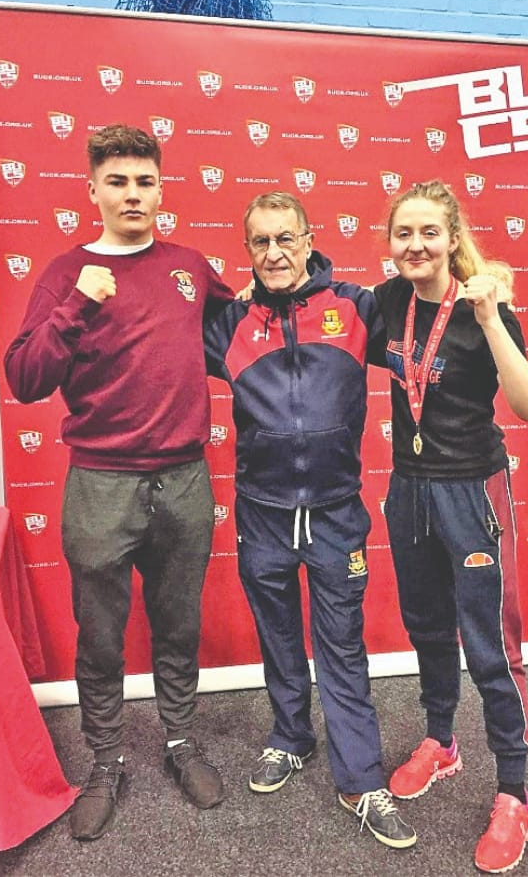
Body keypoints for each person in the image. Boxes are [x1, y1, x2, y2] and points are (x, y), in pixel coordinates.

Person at [4, 124, 234, 840]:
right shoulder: (65, 273)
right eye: (118, 181)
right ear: (93, 190)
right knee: (100, 636)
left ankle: (178, 741)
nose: (132, 194)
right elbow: (25, 377)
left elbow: (251, 331)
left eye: (144, 181)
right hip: (101, 482)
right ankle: (105, 760)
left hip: (184, 478)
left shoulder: (190, 267)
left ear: (160, 189)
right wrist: (77, 304)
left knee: (178, 624)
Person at [203, 192, 416, 849]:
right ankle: (290, 737)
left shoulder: (355, 307)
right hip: (260, 517)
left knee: (343, 647)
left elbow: (430, 306)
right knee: (277, 638)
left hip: (334, 516)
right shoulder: (227, 324)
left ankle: (359, 779)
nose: (273, 253)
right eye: (260, 242)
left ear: (308, 240)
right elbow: (154, 324)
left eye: (285, 239)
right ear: (247, 251)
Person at [373, 179, 528, 874]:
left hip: (471, 491)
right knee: (424, 626)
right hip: (407, 489)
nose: (415, 245)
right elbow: (319, 301)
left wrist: (493, 314)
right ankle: (441, 741)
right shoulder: (385, 301)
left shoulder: (483, 307)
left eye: (427, 233)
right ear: (390, 244)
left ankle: (514, 793)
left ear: (450, 237)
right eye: (402, 234)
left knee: (490, 649)